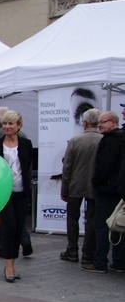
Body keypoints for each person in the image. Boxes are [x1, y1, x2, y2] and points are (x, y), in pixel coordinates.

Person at [0, 111, 33, 282]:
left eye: (10, 124)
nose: (7, 126)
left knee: (18, 228)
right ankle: (8, 266)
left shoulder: (27, 144)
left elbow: (27, 168)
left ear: (18, 125)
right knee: (9, 227)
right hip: (3, 193)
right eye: (5, 123)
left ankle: (13, 264)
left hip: (21, 193)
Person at [84, 110, 125, 273]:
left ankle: (100, 262)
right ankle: (119, 262)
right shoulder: (121, 139)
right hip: (118, 190)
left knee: (102, 226)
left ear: (113, 122)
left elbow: (103, 167)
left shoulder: (110, 141)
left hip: (107, 190)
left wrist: (97, 182)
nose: (99, 125)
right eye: (99, 121)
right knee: (118, 225)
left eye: (104, 121)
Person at [60, 108, 102, 264]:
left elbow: (67, 168)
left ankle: (72, 250)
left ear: (84, 123)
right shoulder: (103, 140)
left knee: (72, 219)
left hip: (75, 186)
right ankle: (87, 253)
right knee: (91, 220)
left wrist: (64, 189)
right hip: (95, 187)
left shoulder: (75, 141)